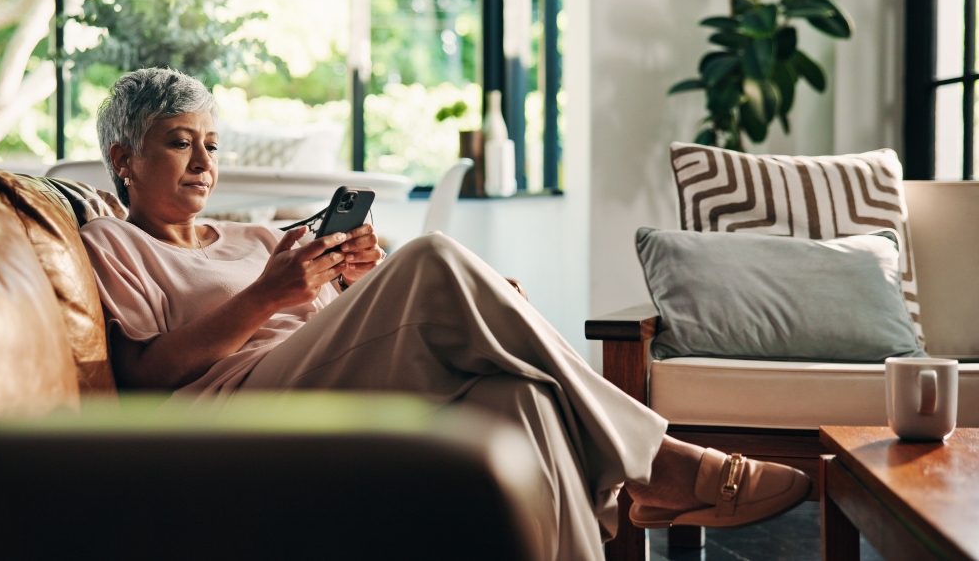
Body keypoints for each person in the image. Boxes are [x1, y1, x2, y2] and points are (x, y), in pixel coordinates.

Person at [79, 68, 811, 561]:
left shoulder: (259, 235)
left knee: (518, 395)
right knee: (431, 259)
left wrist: (350, 286)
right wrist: (268, 296)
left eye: (210, 144)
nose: (204, 161)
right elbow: (145, 376)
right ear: (124, 158)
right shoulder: (113, 241)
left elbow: (323, 330)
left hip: (314, 381)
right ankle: (657, 463)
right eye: (179, 143)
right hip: (228, 413)